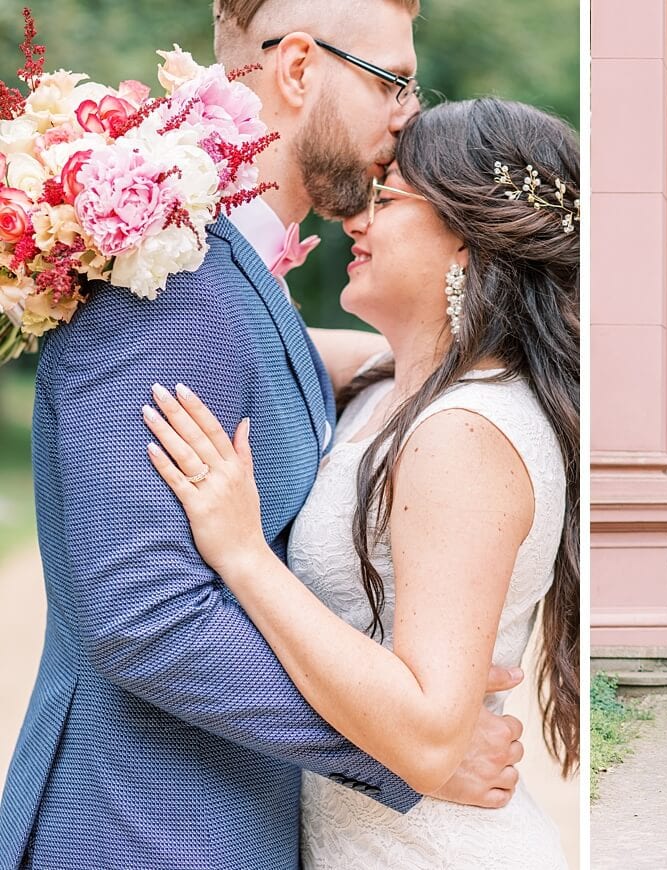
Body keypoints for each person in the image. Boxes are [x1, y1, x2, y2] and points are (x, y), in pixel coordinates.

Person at [0, 3, 524, 868]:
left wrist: (431, 357)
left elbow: (266, 375)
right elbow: (146, 617)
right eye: (394, 80)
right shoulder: (167, 273)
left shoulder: (232, 271)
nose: (409, 114)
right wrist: (402, 745)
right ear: (298, 69)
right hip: (141, 830)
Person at [140, 98, 579, 867]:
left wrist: (243, 555)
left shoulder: (463, 435)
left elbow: (427, 731)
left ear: (466, 242)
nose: (354, 218)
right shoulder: (387, 384)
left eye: (387, 196)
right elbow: (224, 332)